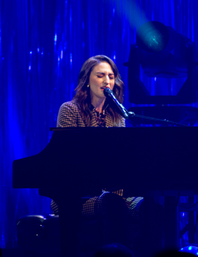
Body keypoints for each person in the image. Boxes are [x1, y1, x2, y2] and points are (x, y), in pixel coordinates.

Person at [51, 55, 141, 246]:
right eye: (100, 75)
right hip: (78, 196)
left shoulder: (117, 115)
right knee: (112, 204)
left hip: (115, 191)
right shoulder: (69, 110)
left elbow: (121, 159)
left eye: (111, 76)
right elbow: (68, 156)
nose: (107, 81)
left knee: (151, 207)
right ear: (86, 80)